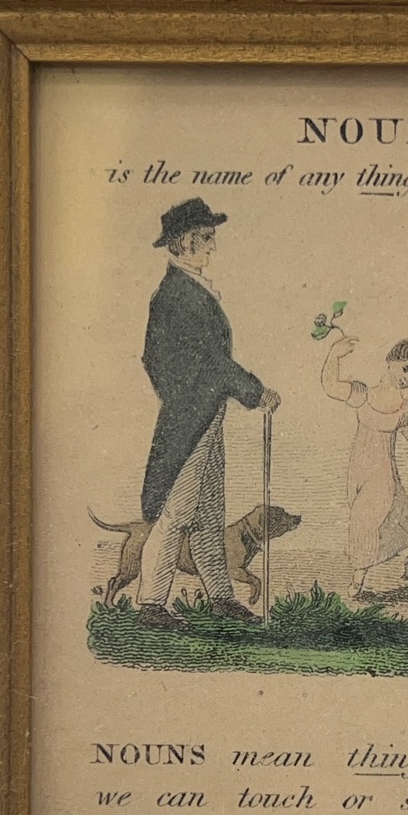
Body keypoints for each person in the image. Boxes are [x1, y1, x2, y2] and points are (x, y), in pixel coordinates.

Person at [135, 198, 279, 629]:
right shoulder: (177, 295)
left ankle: (220, 597)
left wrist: (200, 394)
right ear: (183, 243)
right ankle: (150, 605)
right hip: (191, 420)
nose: (212, 247)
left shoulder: (187, 290)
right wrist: (254, 392)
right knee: (178, 512)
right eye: (206, 239)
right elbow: (202, 361)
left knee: (209, 514)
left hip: (206, 413)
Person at [321, 333, 408, 599]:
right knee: (381, 521)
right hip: (357, 472)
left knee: (363, 523)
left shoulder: (405, 409)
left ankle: (357, 582)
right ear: (391, 360)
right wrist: (334, 354)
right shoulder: (363, 394)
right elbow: (330, 386)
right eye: (406, 369)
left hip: (382, 474)